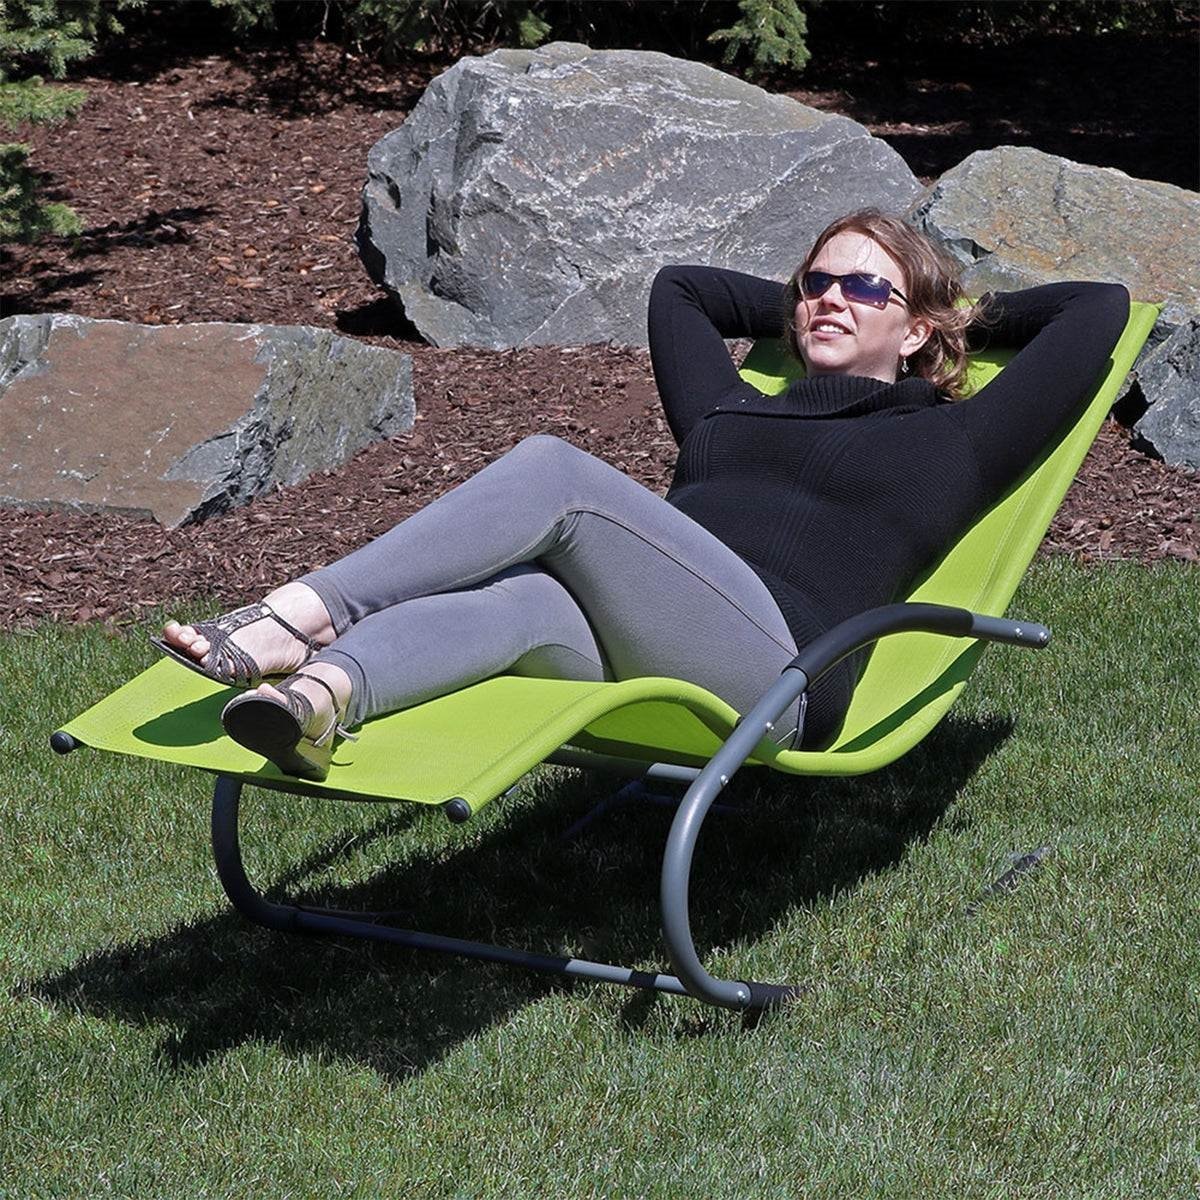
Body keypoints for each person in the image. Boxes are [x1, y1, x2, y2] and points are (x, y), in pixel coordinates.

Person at [155, 209, 1130, 782]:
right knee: (523, 601)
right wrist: (824, 300)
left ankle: (304, 615)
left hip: (781, 676)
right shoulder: (726, 411)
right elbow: (682, 290)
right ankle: (318, 700)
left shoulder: (958, 439)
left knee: (555, 472)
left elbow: (1098, 310)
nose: (832, 298)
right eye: (816, 283)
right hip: (656, 649)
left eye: (866, 290)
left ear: (916, 330)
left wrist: (948, 311)